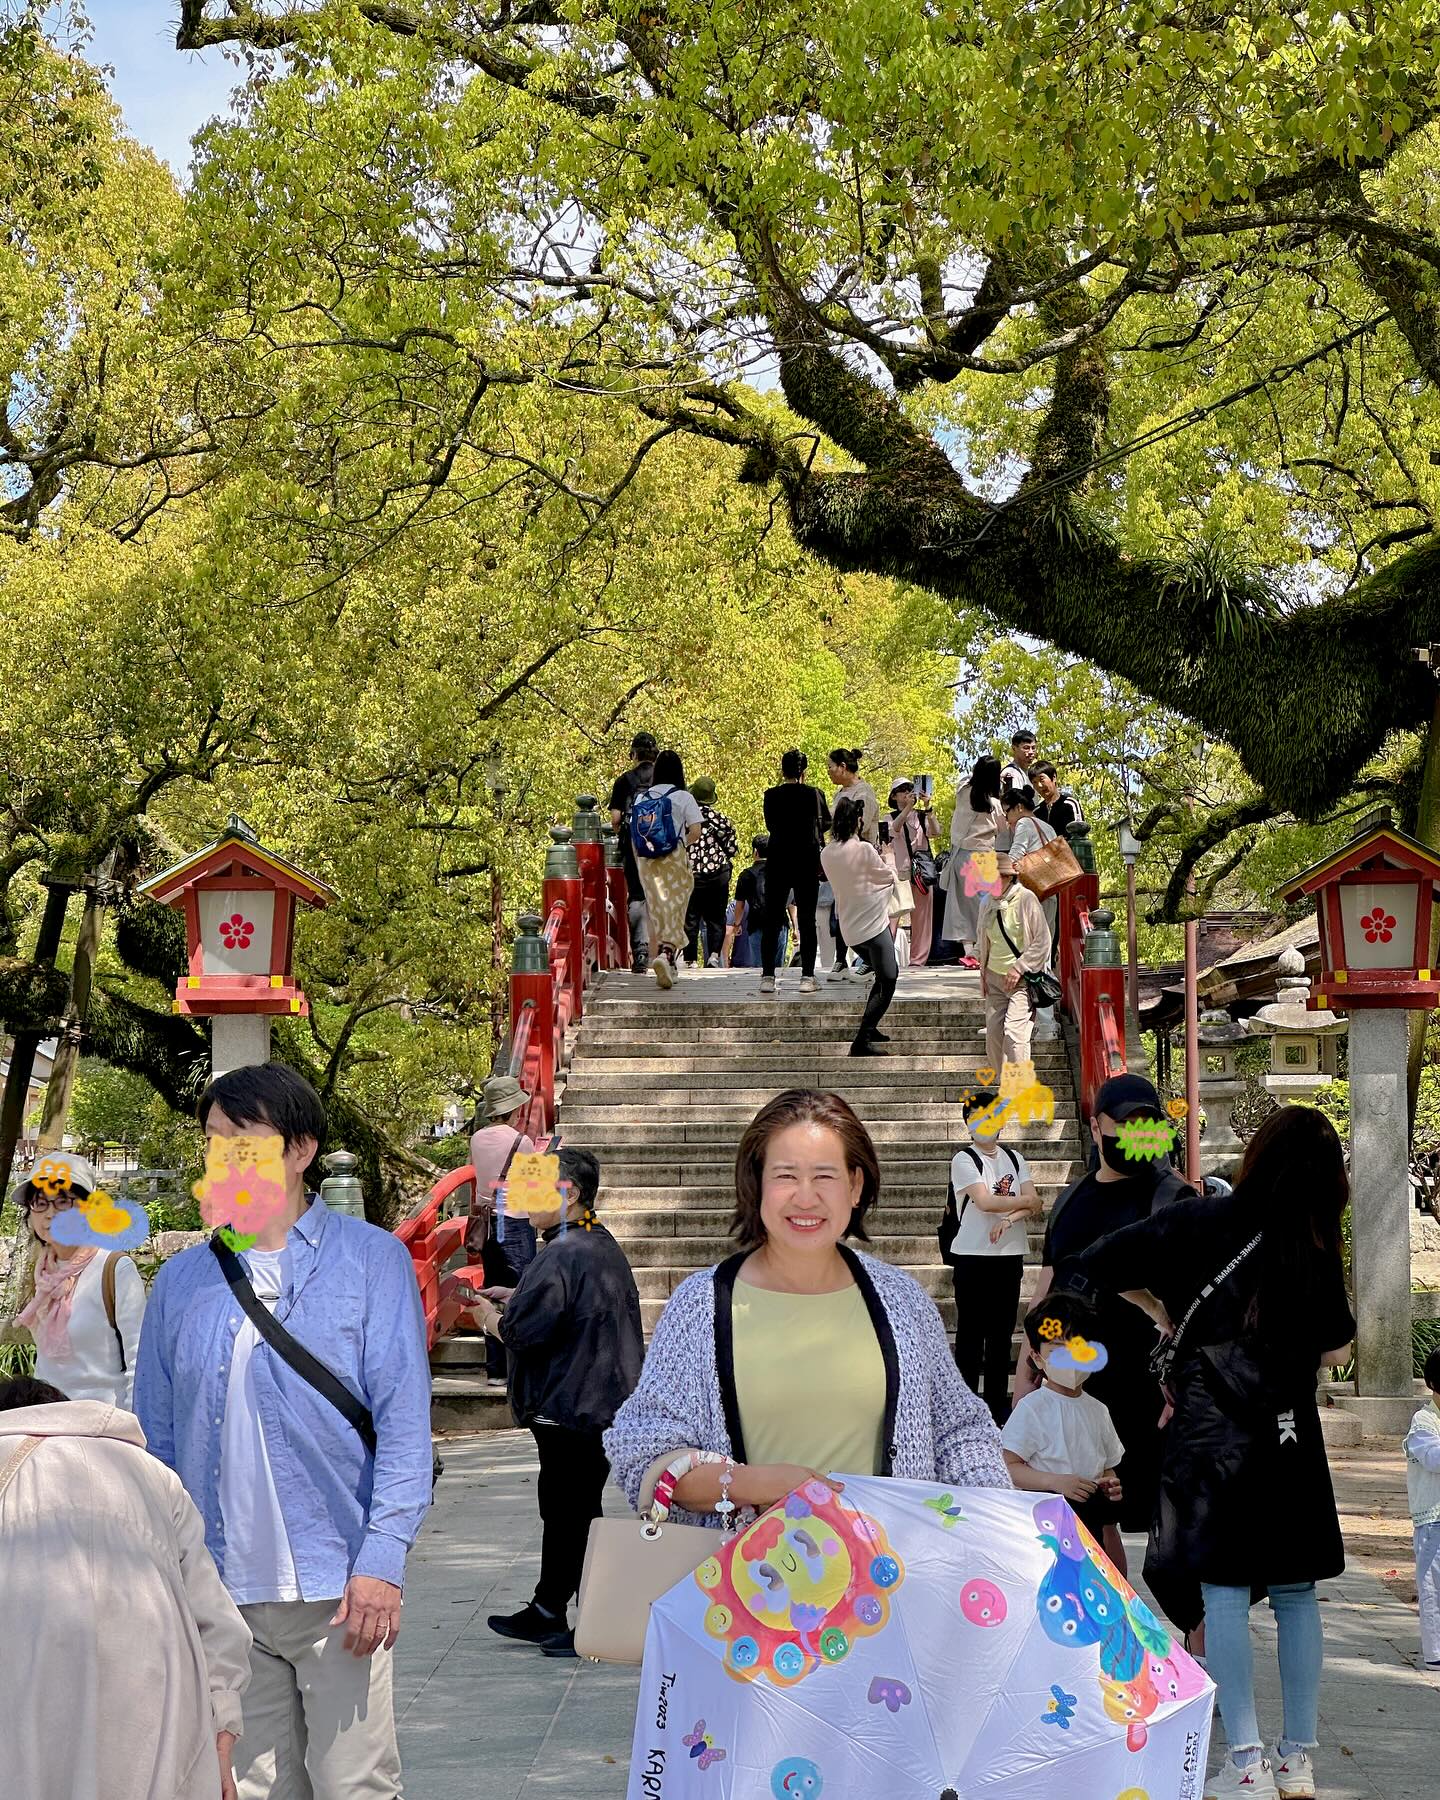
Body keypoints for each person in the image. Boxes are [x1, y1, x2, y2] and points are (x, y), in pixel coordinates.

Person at [134, 1062, 434, 1800]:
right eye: (214, 1142)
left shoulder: (371, 1262)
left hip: (337, 1586)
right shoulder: (181, 1282)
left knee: (353, 1785)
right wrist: (165, 1575)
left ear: (300, 1150)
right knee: (247, 1786)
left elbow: (403, 1427)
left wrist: (383, 1562)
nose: (226, 1158)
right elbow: (157, 1443)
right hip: (222, 1591)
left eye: (246, 1141)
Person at [1072, 1107, 1357, 1800]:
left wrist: (1160, 1311)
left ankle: (1248, 1759)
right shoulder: (1312, 1242)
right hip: (1288, 1432)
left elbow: (1099, 1261)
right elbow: (1338, 1349)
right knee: (1296, 1593)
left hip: (1211, 1431)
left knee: (1222, 1594)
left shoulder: (1199, 1220)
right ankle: (1298, 1759)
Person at [604, 1089, 1010, 1527]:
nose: (805, 1197)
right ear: (756, 1183)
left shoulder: (902, 1300)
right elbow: (643, 1448)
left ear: (855, 1186)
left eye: (824, 1176)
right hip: (741, 1587)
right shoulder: (700, 1306)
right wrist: (751, 1483)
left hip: (890, 1581)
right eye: (785, 1176)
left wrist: (1000, 1522)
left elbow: (959, 1430)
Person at [0, 1376, 254, 1800]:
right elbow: (218, 1621)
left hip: (24, 1686)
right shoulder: (155, 1475)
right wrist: (222, 1729)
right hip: (153, 1687)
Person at [473, 1148, 644, 1658]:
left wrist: (489, 1317)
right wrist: (519, 1290)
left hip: (573, 1400)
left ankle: (586, 1620)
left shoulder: (562, 1252)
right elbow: (563, 1305)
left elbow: (523, 1331)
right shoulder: (591, 1241)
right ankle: (548, 1608)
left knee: (572, 1513)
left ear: (567, 1193)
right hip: (597, 1395)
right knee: (569, 1509)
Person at [1016, 1074, 1191, 1540]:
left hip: (1153, 1394)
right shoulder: (1071, 1200)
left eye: (1146, 1126)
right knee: (1091, 1531)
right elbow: (1047, 1289)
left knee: (1163, 1533)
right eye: (1124, 1125)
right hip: (1076, 1394)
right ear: (1095, 1128)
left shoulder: (1174, 1198)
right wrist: (1024, 1374)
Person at [11, 1150, 147, 1409]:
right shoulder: (42, 1272)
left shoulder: (114, 1269)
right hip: (47, 1421)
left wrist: (128, 1429)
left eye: (62, 1202)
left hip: (101, 1424)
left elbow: (139, 1360)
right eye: (39, 1202)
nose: (49, 1214)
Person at [1001, 1293, 1126, 1571]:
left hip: (1090, 1520)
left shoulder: (1098, 1410)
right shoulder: (1033, 1408)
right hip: (1046, 1524)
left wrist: (1109, 1483)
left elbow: (1107, 1467)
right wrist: (1055, 1482)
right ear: (1037, 1356)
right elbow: (1008, 1466)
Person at [939, 1091, 1042, 1425]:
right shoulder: (964, 1159)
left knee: (1000, 1336)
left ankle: (998, 1408)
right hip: (972, 1256)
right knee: (971, 1335)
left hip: (1009, 1256)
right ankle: (967, 1407)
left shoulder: (1015, 1158)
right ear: (969, 1124)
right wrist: (1021, 1204)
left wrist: (1010, 1219)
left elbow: (1037, 1202)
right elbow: (985, 1202)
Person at [466, 1072, 537, 1378]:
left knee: (491, 1290)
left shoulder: (476, 1138)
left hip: (486, 1224)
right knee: (521, 1291)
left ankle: (495, 1368)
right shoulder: (522, 1142)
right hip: (515, 1222)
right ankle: (519, 1366)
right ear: (513, 1109)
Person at [821, 795, 900, 1057]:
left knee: (880, 973)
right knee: (889, 977)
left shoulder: (826, 853)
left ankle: (872, 1024)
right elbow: (887, 876)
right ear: (857, 820)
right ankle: (861, 1040)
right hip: (873, 925)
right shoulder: (864, 849)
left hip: (849, 928)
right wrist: (888, 855)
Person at [630, 748, 704, 990]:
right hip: (673, 858)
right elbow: (695, 830)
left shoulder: (642, 798)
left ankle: (667, 962)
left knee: (658, 908)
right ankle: (667, 954)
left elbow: (634, 834)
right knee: (676, 906)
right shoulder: (684, 797)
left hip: (646, 861)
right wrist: (679, 843)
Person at [760, 748, 831, 994]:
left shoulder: (771, 796)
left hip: (778, 859)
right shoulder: (815, 794)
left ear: (783, 770)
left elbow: (770, 824)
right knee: (807, 920)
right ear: (804, 771)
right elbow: (827, 823)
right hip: (806, 859)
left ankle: (768, 976)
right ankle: (807, 976)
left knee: (772, 919)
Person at [976, 852, 1052, 1074]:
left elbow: (1042, 940)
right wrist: (981, 974)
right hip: (994, 976)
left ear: (1008, 877)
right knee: (993, 1034)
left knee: (1014, 1034)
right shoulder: (986, 903)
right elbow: (982, 939)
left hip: (1020, 980)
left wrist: (1019, 967)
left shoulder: (1026, 898)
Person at [1001, 783, 1060, 1039]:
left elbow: (1016, 856)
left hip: (1032, 894)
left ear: (1019, 807)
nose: (1007, 820)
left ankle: (1042, 1022)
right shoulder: (1046, 825)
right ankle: (1046, 1021)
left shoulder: (1025, 824)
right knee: (1043, 950)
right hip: (1050, 891)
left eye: (1007, 813)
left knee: (1032, 952)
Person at [939, 754, 1006, 967]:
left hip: (960, 856)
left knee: (960, 907)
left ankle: (969, 952)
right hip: (984, 857)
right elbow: (1004, 829)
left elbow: (966, 779)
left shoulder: (963, 793)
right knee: (985, 906)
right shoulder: (994, 804)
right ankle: (984, 951)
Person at [608, 730, 658, 973]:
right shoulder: (665, 781)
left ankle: (640, 953)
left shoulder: (625, 781)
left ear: (634, 753)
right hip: (663, 847)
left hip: (634, 846)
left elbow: (616, 819)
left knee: (637, 896)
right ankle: (666, 954)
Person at [827, 748, 879, 977]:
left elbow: (861, 827)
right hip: (841, 857)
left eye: (831, 766)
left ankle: (869, 958)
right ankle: (841, 959)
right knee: (841, 909)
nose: (829, 772)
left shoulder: (863, 793)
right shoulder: (841, 793)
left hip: (859, 859)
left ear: (843, 767)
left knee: (858, 911)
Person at [1405, 1346, 1440, 1670]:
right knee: (1433, 1585)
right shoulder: (1424, 1420)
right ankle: (1435, 1652)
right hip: (1434, 1521)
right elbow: (1432, 1458)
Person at [684, 775, 738, 967]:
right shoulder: (722, 820)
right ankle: (714, 956)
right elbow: (732, 850)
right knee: (716, 917)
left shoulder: (685, 818)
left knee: (690, 917)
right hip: (718, 874)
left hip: (692, 874)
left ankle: (690, 959)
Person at [889, 779, 939, 968]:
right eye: (901, 790)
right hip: (900, 873)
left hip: (922, 873)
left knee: (922, 918)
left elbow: (935, 832)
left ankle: (917, 962)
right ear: (893, 796)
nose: (907, 793)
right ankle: (886, 959)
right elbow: (894, 829)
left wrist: (928, 807)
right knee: (892, 916)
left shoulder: (921, 816)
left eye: (910, 789)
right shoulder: (889, 816)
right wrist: (907, 808)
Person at [725, 834, 771, 968]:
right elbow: (791, 900)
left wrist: (737, 924)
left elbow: (740, 903)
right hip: (779, 922)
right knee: (777, 965)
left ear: (755, 852)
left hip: (755, 923)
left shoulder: (746, 874)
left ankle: (764, 984)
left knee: (759, 965)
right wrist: (795, 926)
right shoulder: (780, 872)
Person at [1033, 759, 1086, 839]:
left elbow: (1079, 836)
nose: (1039, 785)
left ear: (1054, 778)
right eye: (1034, 782)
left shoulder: (1070, 804)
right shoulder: (1036, 812)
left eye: (1042, 779)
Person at [1000, 728, 1039, 793]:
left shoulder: (1029, 774)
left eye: (1033, 748)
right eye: (1026, 748)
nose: (1031, 752)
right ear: (1014, 748)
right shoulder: (1011, 773)